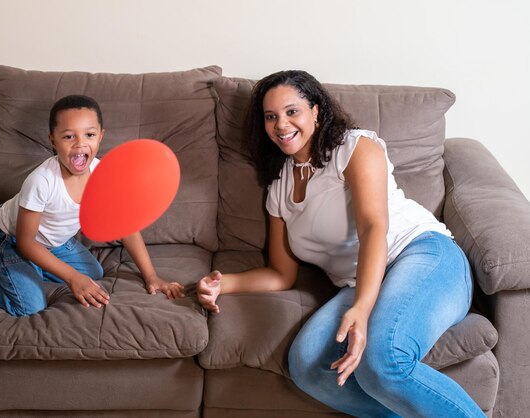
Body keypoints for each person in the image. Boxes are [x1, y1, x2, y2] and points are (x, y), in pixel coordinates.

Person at [196, 71, 484, 417]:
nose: (281, 125)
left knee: (383, 359)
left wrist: (362, 309)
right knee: (307, 366)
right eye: (270, 116)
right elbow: (280, 274)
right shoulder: (279, 190)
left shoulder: (354, 147)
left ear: (316, 111)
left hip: (421, 254)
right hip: (359, 281)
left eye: (292, 111)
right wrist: (222, 283)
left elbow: (374, 226)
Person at [0, 94, 184, 317]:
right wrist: (71, 278)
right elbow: (26, 242)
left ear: (101, 135)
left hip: (51, 243)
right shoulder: (41, 181)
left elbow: (126, 227)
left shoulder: (103, 174)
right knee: (30, 306)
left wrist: (151, 276)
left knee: (93, 274)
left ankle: (28, 268)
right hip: (9, 238)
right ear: (52, 139)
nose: (80, 144)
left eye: (89, 135)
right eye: (69, 136)